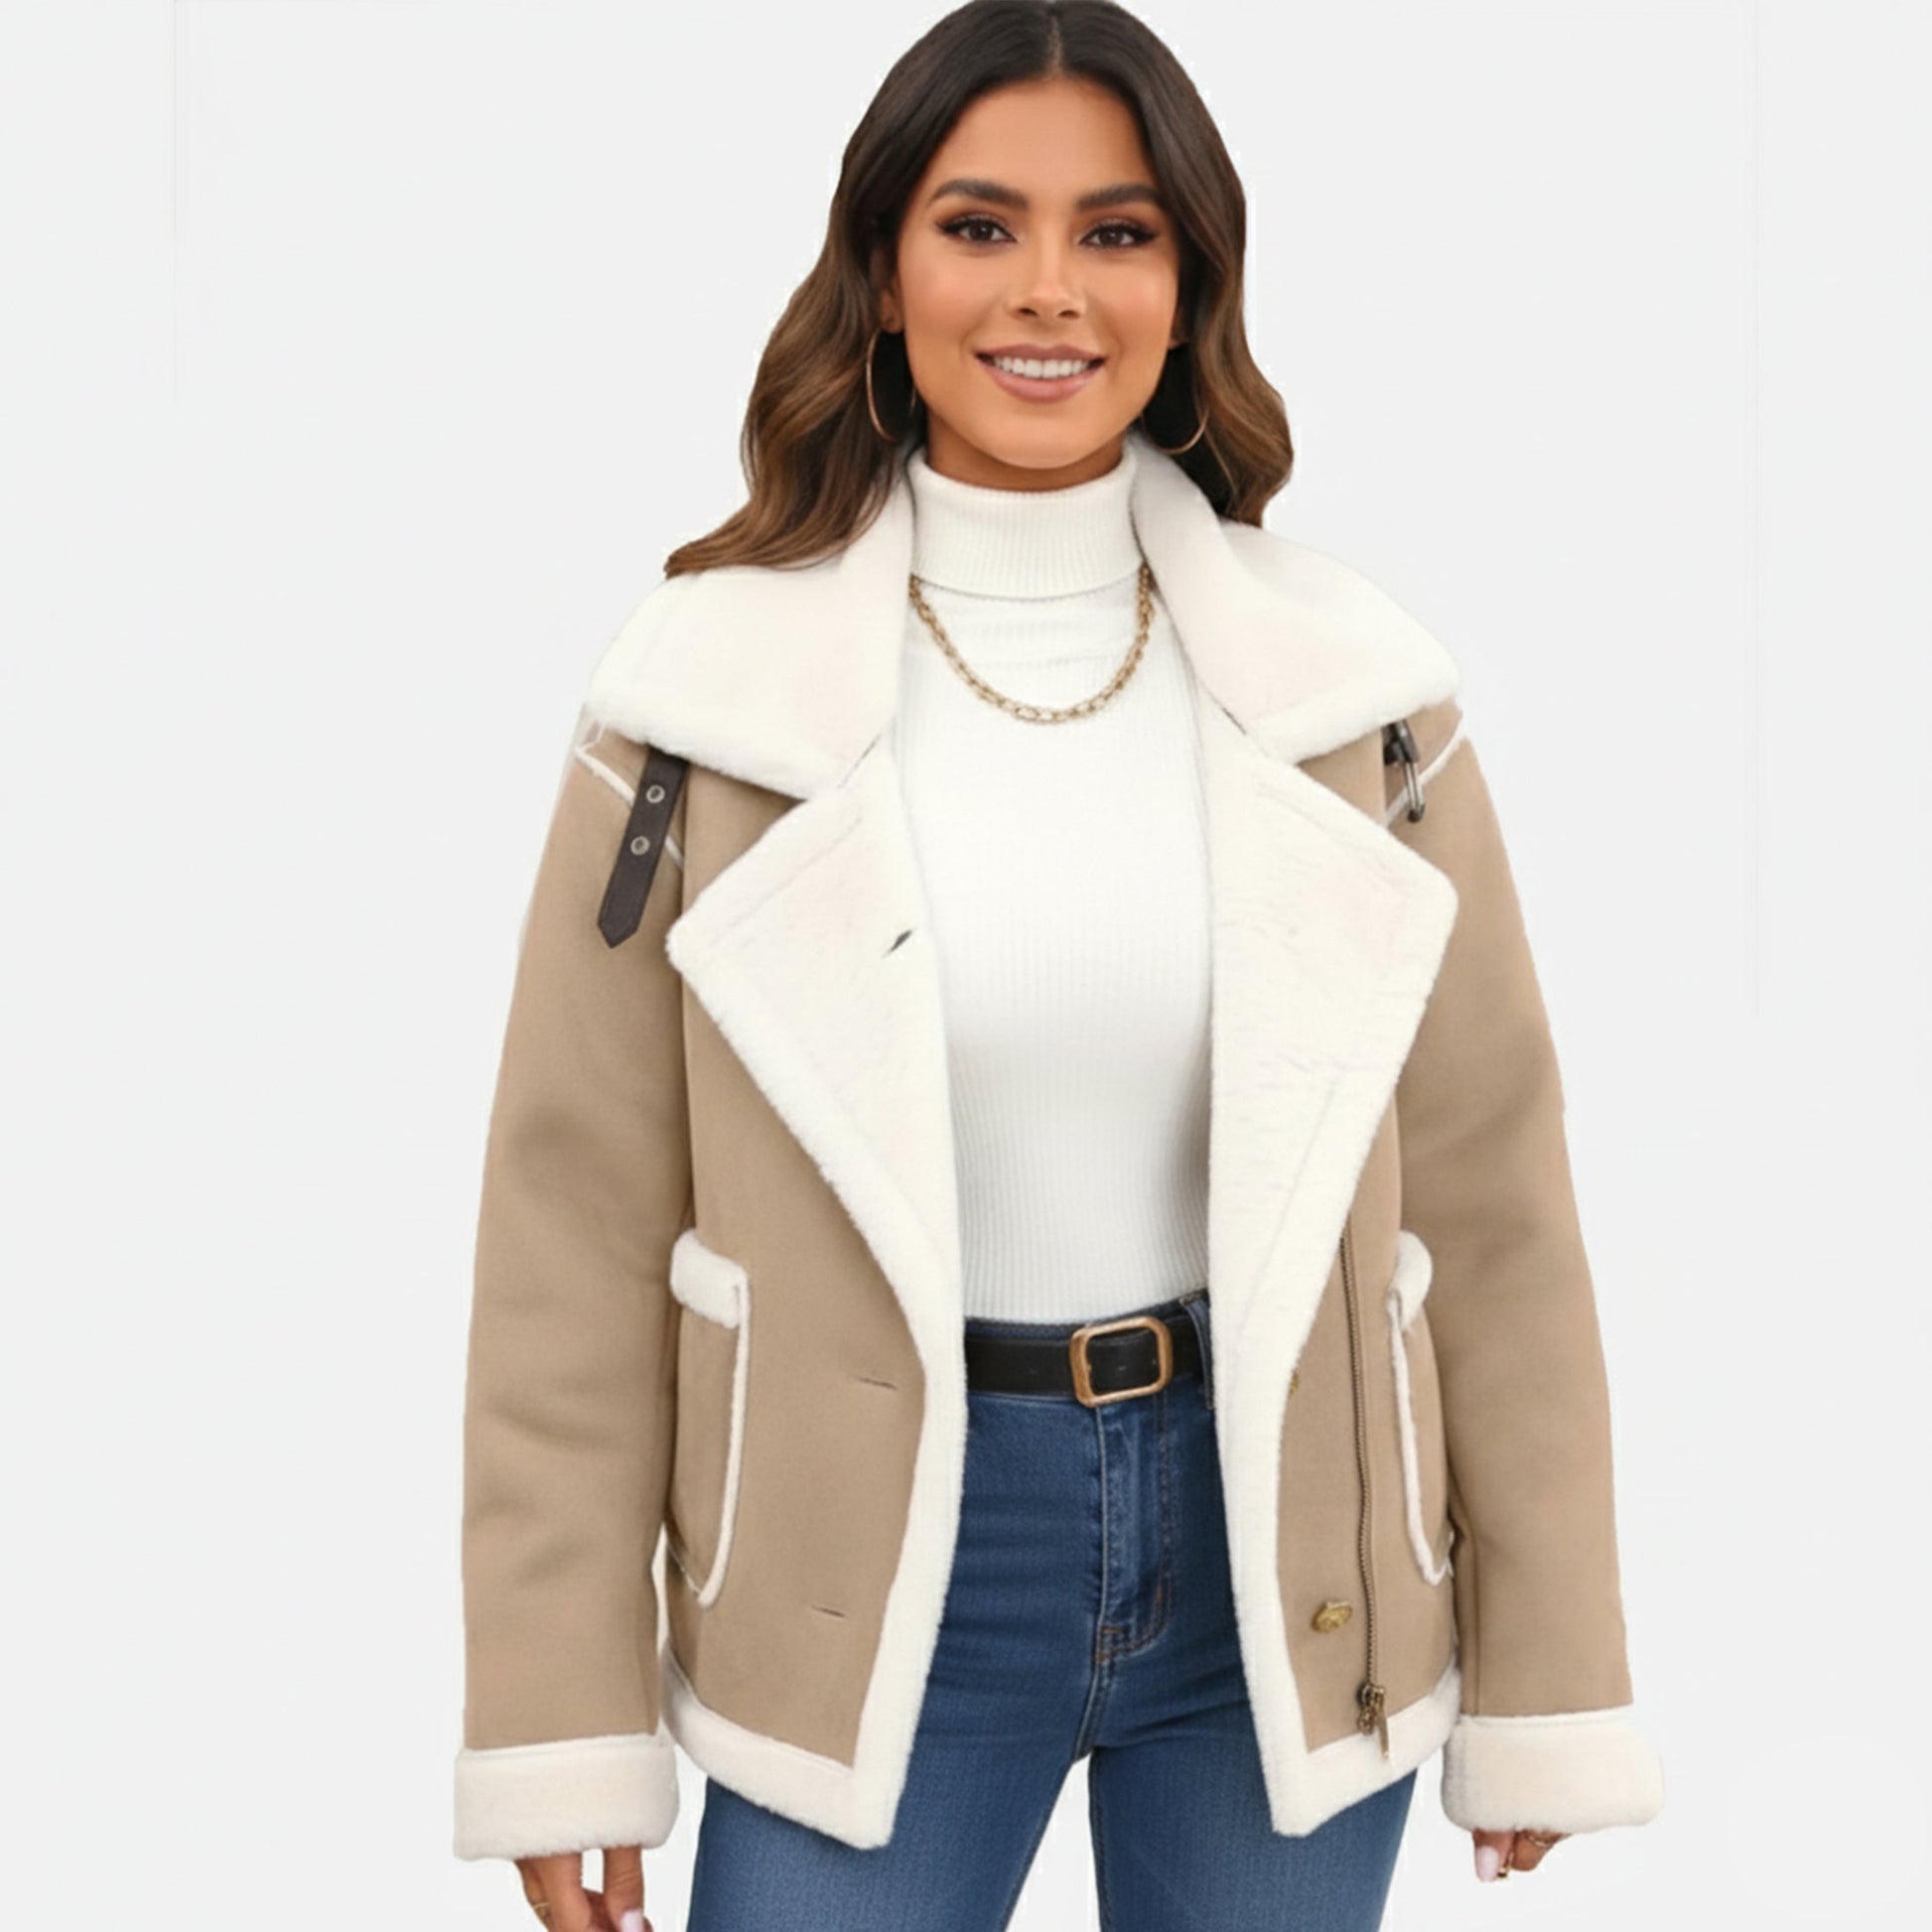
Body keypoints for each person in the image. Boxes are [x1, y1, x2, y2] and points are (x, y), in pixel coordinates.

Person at [451, 3, 1665, 1927]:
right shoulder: (699, 708)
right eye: (976, 225)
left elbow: (1497, 1203)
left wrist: (1547, 1669)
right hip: (864, 1580)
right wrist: (562, 1718)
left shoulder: (1353, 698)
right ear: (882, 273)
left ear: (1188, 286)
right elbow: (572, 1247)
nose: (1047, 290)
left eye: (1115, 231)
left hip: (1285, 1564)